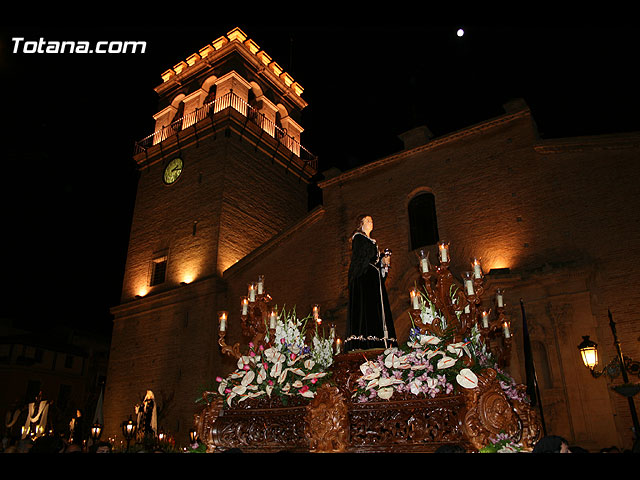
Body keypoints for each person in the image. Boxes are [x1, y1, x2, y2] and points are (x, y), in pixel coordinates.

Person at [345, 215, 397, 352]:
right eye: (367, 220)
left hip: (374, 280)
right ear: (360, 224)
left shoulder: (372, 242)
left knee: (377, 308)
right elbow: (362, 257)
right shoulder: (359, 238)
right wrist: (379, 256)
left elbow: (375, 262)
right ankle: (366, 342)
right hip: (365, 279)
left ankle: (381, 341)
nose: (371, 222)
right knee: (367, 308)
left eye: (372, 220)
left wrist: (384, 263)